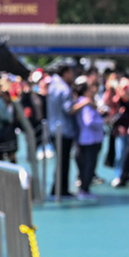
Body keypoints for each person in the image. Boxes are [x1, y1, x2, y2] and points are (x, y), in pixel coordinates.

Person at [44, 63, 76, 197]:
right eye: (71, 72)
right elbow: (69, 109)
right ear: (66, 72)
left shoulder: (52, 86)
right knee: (63, 162)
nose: (73, 75)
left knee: (60, 161)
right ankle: (61, 189)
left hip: (53, 128)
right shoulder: (64, 89)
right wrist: (84, 103)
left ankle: (56, 189)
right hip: (63, 129)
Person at [71, 75, 105, 198]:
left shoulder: (79, 102)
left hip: (84, 138)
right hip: (90, 139)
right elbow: (89, 121)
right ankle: (84, 190)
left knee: (84, 165)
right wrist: (102, 121)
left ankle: (84, 188)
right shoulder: (86, 104)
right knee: (89, 165)